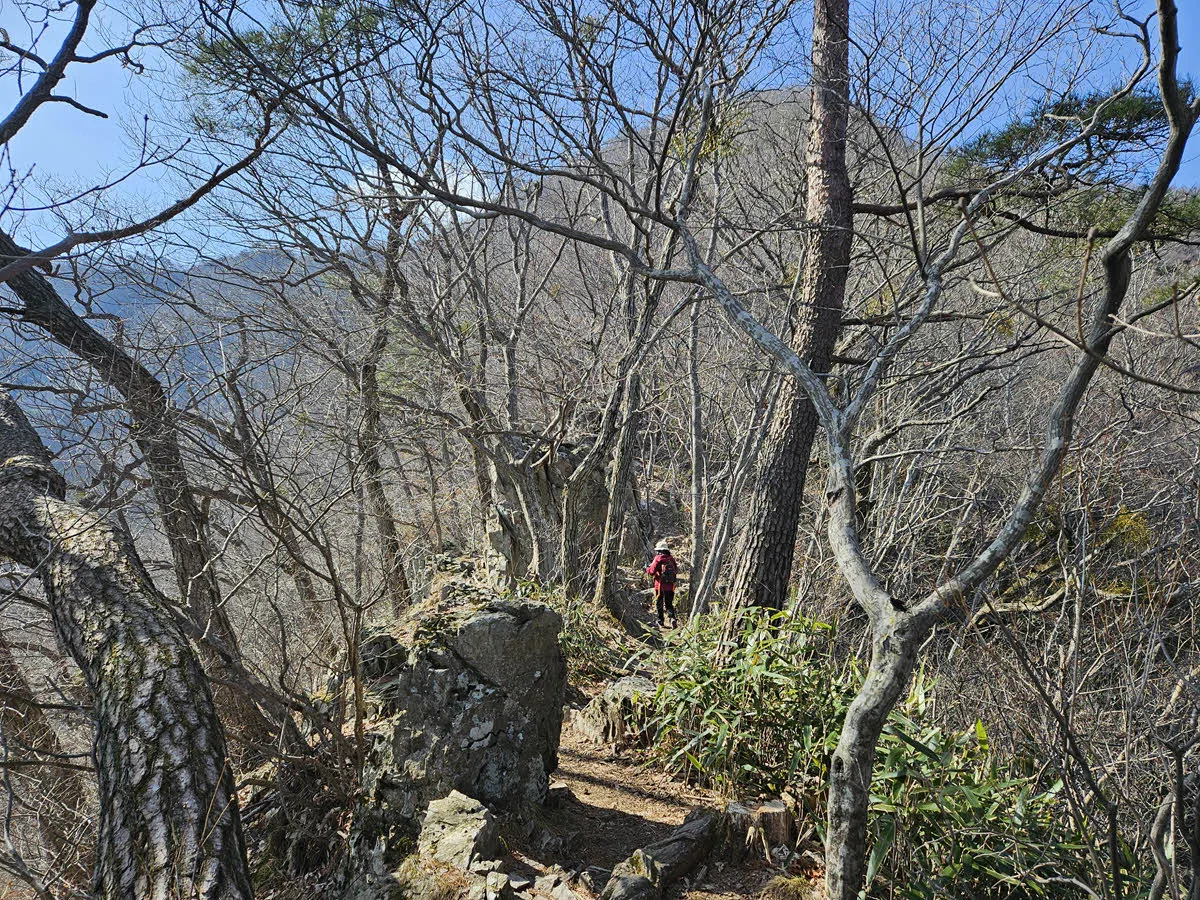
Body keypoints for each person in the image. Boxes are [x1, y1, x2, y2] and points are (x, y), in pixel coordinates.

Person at [646, 540, 678, 627]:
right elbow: (676, 570)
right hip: (671, 586)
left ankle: (660, 621)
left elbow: (652, 571)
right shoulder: (671, 558)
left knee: (659, 603)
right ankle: (672, 618)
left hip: (660, 585)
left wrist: (647, 569)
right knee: (669, 603)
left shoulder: (658, 558)